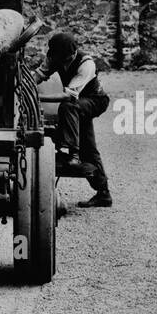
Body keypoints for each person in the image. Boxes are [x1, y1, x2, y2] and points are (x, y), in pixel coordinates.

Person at [35, 30, 113, 208]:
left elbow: (69, 96)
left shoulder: (86, 64)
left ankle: (73, 154)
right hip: (78, 106)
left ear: (73, 54)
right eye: (59, 60)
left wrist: (39, 99)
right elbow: (39, 75)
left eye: (67, 60)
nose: (63, 64)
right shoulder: (54, 56)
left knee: (68, 107)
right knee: (89, 147)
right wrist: (24, 86)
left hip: (95, 100)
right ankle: (103, 193)